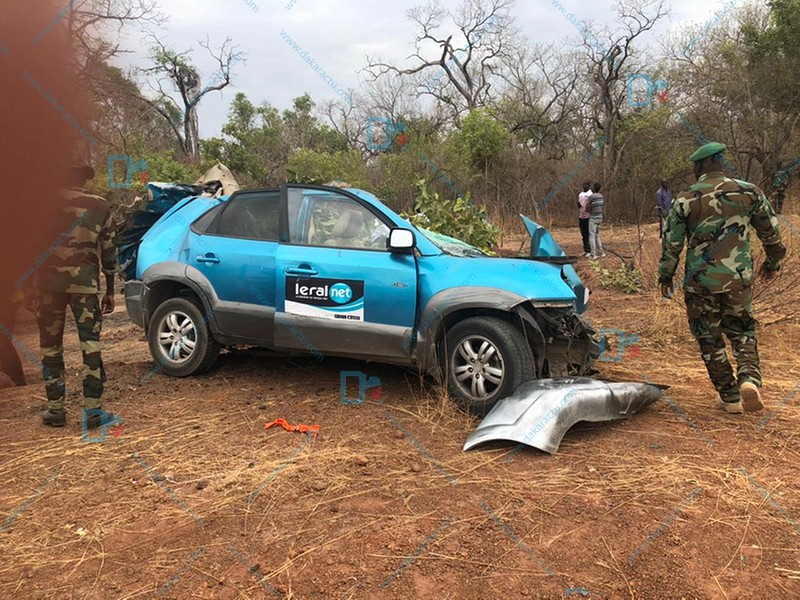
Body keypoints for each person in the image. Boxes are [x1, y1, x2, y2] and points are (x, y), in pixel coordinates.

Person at [659, 142, 785, 414]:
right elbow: (772, 235)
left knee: (708, 338)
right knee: (742, 330)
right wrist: (772, 263)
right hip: (739, 278)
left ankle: (729, 397)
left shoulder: (686, 198)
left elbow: (672, 244)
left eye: (695, 165)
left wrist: (665, 276)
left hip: (700, 282)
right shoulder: (749, 191)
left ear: (702, 165)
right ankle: (749, 379)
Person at [36, 166, 117, 428]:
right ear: (85, 179)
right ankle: (93, 411)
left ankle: (55, 410)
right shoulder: (100, 206)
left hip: (48, 286)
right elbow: (109, 250)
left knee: (50, 346)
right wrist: (111, 289)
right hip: (85, 285)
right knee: (90, 345)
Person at [588, 182, 606, 258]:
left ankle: (593, 254)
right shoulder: (601, 196)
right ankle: (601, 252)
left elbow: (587, 207)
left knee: (592, 235)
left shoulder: (591, 197)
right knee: (597, 235)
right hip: (600, 217)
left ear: (594, 188)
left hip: (593, 217)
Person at [577, 181, 592, 257]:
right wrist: (578, 205)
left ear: (589, 186)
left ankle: (590, 250)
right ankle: (585, 250)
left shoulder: (590, 194)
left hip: (588, 217)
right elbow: (580, 205)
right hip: (581, 216)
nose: (584, 186)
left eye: (586, 185)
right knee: (583, 234)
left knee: (588, 234)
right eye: (584, 184)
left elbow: (591, 205)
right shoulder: (580, 194)